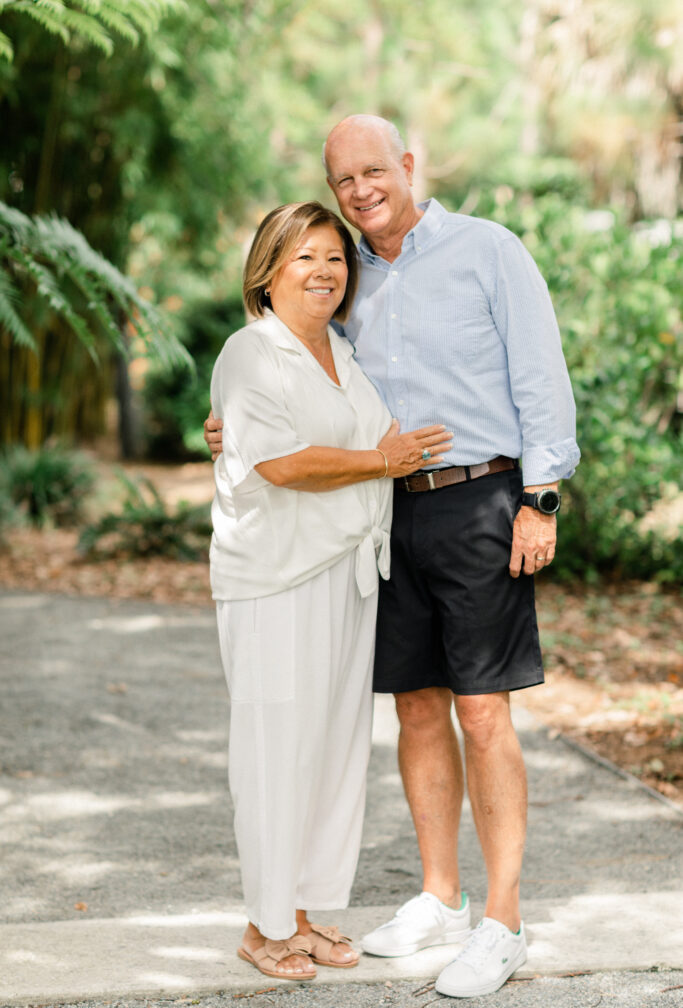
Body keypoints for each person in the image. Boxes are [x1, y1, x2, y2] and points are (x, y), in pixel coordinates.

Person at [205, 116, 580, 998]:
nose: (360, 189)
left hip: (483, 500)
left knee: (483, 713)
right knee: (415, 710)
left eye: (374, 170)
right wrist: (229, 429)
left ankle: (503, 920)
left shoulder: (488, 250)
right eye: (343, 180)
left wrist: (541, 499)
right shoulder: (343, 275)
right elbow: (292, 393)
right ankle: (440, 900)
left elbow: (539, 376)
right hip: (384, 517)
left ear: (408, 165)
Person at [210, 199, 451, 983]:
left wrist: (371, 456)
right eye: (304, 256)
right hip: (275, 579)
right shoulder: (252, 354)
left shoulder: (340, 356)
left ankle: (308, 915)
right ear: (267, 271)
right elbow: (284, 464)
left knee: (333, 753)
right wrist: (380, 462)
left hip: (348, 579)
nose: (323, 271)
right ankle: (262, 925)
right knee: (275, 749)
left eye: (335, 258)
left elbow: (341, 446)